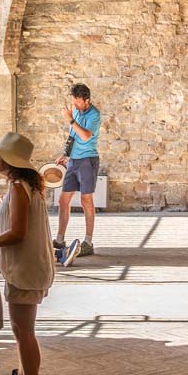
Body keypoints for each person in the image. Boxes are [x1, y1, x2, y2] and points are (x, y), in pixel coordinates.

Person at [0, 133, 57, 375]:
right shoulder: (25, 186)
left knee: (23, 332)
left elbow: (16, 233)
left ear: (10, 160)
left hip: (25, 269)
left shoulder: (18, 188)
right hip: (27, 267)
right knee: (21, 330)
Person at [54, 84, 103, 256]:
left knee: (86, 200)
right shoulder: (75, 111)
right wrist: (65, 154)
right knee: (63, 200)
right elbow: (73, 135)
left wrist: (70, 119)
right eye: (73, 100)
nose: (74, 104)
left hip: (88, 160)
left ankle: (88, 242)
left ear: (87, 100)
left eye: (77, 101)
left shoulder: (94, 115)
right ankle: (60, 240)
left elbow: (85, 135)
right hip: (73, 161)